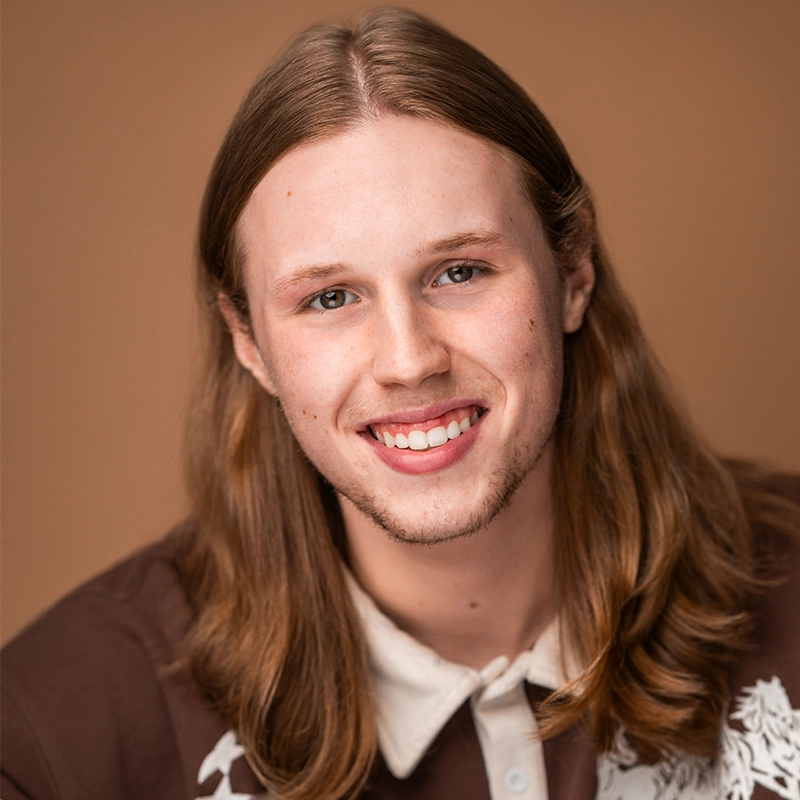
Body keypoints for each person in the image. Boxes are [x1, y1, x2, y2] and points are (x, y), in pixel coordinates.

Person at [2, 8, 799, 800]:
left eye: (460, 272)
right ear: (247, 339)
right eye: (329, 297)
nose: (410, 361)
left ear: (574, 271)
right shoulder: (51, 741)